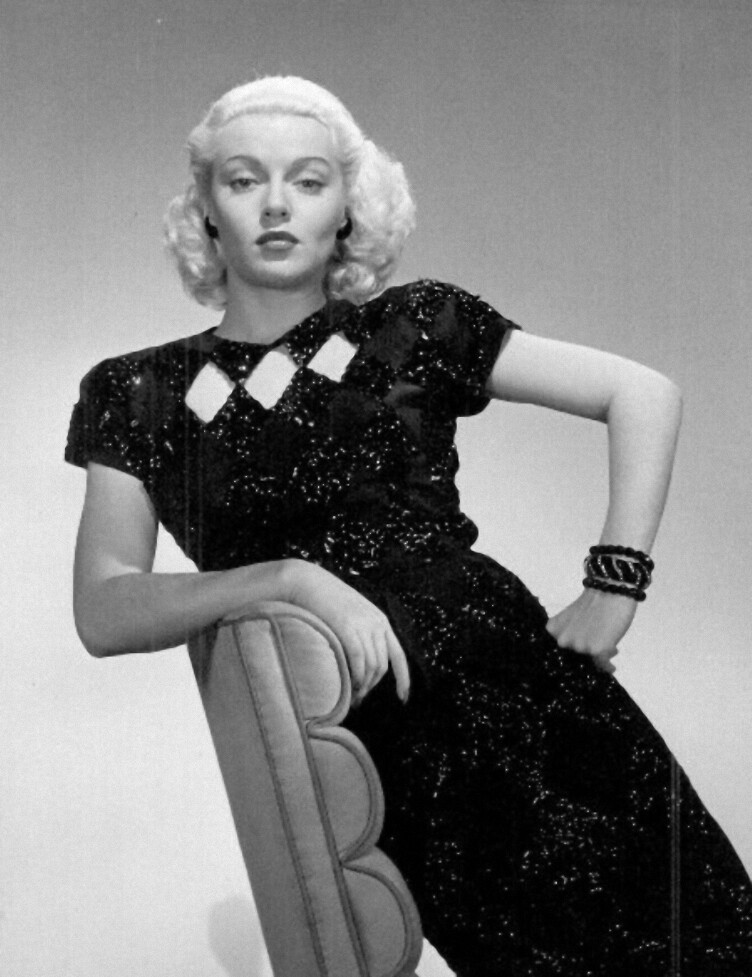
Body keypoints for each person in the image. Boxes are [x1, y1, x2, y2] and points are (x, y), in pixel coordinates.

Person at [65, 76, 752, 976]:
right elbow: (105, 606)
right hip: (383, 739)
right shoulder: (137, 390)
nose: (276, 204)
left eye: (308, 180)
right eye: (244, 179)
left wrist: (612, 587)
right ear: (205, 210)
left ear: (348, 209)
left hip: (534, 695)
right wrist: (290, 579)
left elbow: (643, 393)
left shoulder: (416, 324)